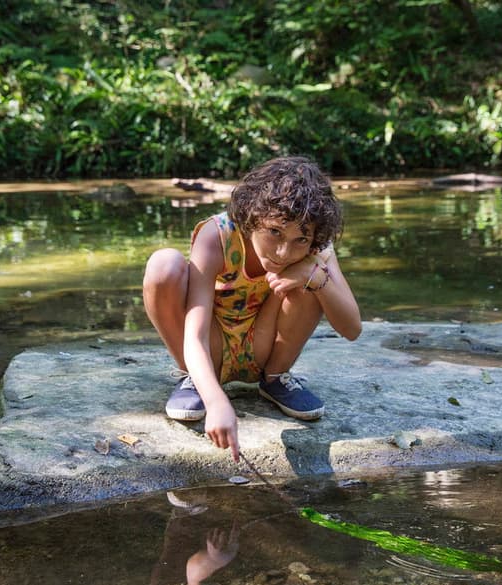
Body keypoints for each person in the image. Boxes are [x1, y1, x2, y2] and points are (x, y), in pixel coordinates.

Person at [142, 156, 361, 462]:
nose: (285, 251)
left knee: (315, 280)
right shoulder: (217, 235)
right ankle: (198, 378)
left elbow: (352, 329)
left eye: (300, 239)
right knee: (163, 264)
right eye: (275, 232)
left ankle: (275, 379)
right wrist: (217, 402)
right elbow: (194, 331)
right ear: (252, 217)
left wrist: (314, 277)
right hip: (212, 344)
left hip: (265, 345)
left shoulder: (314, 247)